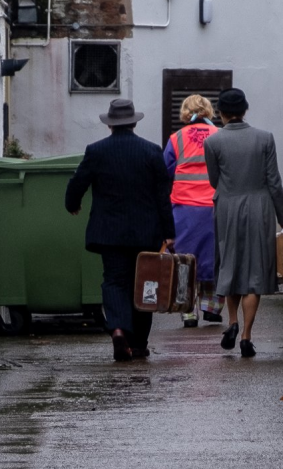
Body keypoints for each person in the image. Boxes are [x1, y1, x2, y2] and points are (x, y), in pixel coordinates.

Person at [65, 99, 175, 362]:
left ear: (110, 125)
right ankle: (138, 344)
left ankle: (117, 327)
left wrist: (72, 204)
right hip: (146, 231)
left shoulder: (96, 151)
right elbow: (163, 196)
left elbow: (78, 182)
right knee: (145, 282)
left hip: (109, 232)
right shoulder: (151, 151)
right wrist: (169, 232)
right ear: (134, 123)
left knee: (114, 280)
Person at [203, 87, 283, 358]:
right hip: (259, 208)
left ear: (220, 114)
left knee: (230, 264)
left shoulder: (212, 143)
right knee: (254, 270)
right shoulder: (265, 139)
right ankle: (247, 337)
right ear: (245, 110)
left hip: (227, 206)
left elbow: (214, 180)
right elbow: (273, 181)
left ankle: (232, 322)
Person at [163, 94, 224, 328]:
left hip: (184, 207)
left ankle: (187, 310)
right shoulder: (219, 135)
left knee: (184, 259)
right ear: (208, 112)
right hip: (214, 206)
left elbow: (165, 171)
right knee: (213, 257)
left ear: (185, 113)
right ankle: (212, 308)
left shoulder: (176, 138)